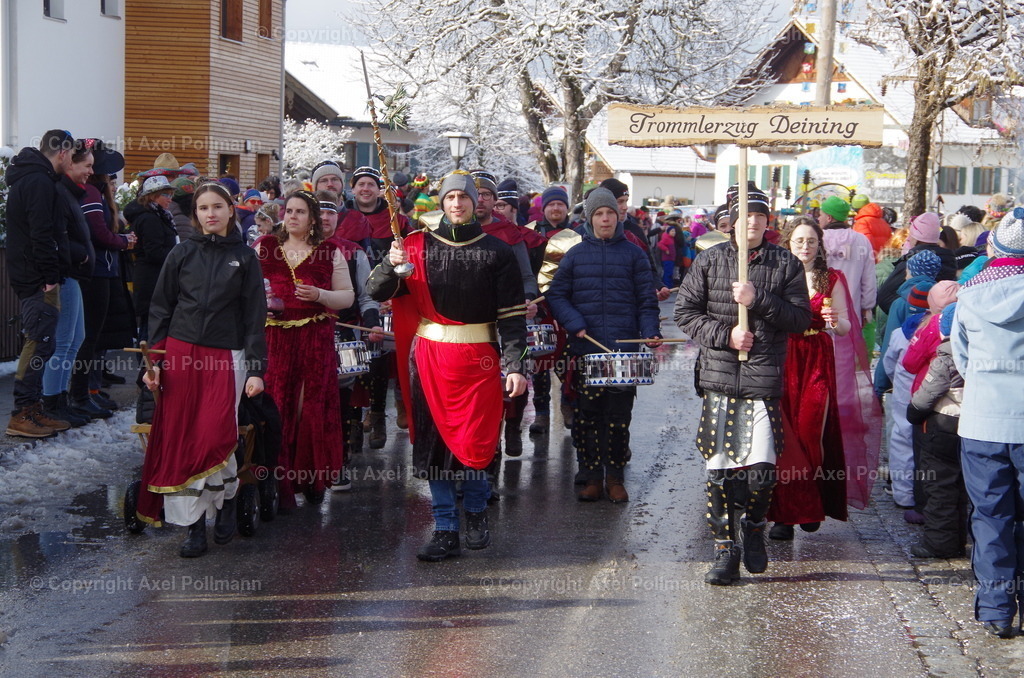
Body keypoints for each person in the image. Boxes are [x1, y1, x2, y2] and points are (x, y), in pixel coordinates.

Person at [366, 171, 528, 562]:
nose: (457, 203)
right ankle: (444, 528)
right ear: (441, 202)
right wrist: (391, 263)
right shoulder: (416, 247)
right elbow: (376, 291)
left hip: (480, 360)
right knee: (434, 443)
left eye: (464, 197)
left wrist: (515, 365)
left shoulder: (498, 252)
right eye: (450, 197)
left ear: (476, 202)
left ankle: (475, 514)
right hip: (429, 359)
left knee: (474, 441)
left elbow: (512, 317)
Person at [675, 184, 812, 585]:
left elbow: (800, 321)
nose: (751, 222)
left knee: (761, 470)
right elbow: (685, 313)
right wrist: (725, 335)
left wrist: (758, 300)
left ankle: (753, 528)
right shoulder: (710, 260)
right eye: (745, 215)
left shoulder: (784, 264)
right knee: (719, 468)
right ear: (732, 221)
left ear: (767, 222)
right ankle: (723, 549)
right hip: (719, 377)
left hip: (763, 380)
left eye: (759, 216)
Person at [136, 181, 268, 558]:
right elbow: (160, 309)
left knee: (215, 435)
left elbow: (254, 319)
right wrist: (156, 362)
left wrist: (257, 370)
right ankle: (193, 527)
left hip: (226, 358)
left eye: (217, 206)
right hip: (179, 354)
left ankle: (225, 502)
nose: (210, 213)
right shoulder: (181, 255)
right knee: (182, 439)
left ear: (231, 211)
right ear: (195, 215)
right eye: (203, 208)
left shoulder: (246, 258)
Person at [546, 188, 661, 502]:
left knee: (619, 417)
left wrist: (649, 331)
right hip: (587, 350)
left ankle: (615, 479)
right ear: (590, 218)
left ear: (617, 215)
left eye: (609, 212)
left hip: (624, 352)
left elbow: (647, 301)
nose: (605, 218)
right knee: (588, 416)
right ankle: (592, 476)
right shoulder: (575, 255)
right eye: (599, 213)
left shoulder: (635, 254)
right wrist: (574, 323)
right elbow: (556, 295)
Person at [255, 190, 355, 510]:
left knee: (308, 409)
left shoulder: (329, 252)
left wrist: (320, 294)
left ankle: (312, 479)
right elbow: (246, 292)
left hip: (315, 338)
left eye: (300, 212)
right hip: (275, 340)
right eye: (289, 211)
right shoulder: (264, 247)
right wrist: (262, 309)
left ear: (313, 219)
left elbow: (347, 297)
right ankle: (276, 482)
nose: (293, 217)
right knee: (276, 406)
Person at [951, 211, 1024, 639]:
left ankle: (997, 608)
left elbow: (962, 359)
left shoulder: (969, 296)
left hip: (982, 421)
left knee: (991, 516)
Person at [767, 217, 850, 540]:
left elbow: (844, 327)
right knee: (783, 436)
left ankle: (811, 501)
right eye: (799, 240)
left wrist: (834, 321)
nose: (805, 246)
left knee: (810, 429)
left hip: (816, 355)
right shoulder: (777, 275)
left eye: (811, 240)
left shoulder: (831, 279)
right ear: (789, 243)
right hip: (782, 355)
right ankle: (784, 517)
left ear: (820, 244)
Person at [4, 130, 76, 437]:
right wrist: (48, 278)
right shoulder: (39, 181)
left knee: (42, 343)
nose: (71, 162)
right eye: (71, 155)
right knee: (39, 342)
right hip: (37, 278)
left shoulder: (36, 178)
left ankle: (31, 408)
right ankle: (22, 413)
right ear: (61, 152)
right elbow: (41, 234)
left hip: (33, 275)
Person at [346, 165, 412, 446]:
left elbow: (410, 255)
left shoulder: (396, 220)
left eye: (371, 185)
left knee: (384, 355)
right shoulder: (344, 219)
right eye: (360, 184)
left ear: (379, 190)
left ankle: (381, 413)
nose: (365, 189)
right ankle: (360, 418)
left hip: (390, 294)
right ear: (353, 189)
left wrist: (389, 292)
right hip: (355, 295)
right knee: (359, 359)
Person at [70, 141, 134, 423]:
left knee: (93, 337)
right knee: (89, 337)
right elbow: (98, 232)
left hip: (100, 269)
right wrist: (123, 240)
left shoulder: (91, 191)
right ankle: (82, 394)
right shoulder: (93, 193)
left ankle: (88, 391)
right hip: (96, 271)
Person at [41, 140, 97, 427]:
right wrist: (81, 256)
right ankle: (52, 401)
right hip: (66, 275)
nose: (90, 171)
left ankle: (59, 399)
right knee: (64, 344)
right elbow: (57, 236)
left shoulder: (70, 194)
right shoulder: (61, 193)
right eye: (86, 165)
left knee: (75, 341)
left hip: (72, 274)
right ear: (70, 163)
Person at [906, 303, 967, 559]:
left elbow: (926, 396)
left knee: (940, 487)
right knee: (963, 488)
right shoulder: (982, 350)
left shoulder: (946, 355)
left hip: (943, 424)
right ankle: (960, 537)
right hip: (972, 427)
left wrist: (914, 412)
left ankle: (940, 543)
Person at [126, 175, 179, 343]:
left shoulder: (158, 216)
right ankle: (147, 366)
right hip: (152, 281)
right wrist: (177, 255)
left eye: (171, 195)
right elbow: (154, 252)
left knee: (153, 325)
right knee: (151, 329)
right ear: (153, 196)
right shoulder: (150, 219)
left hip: (154, 278)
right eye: (166, 195)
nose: (170, 199)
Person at [877, 212, 957, 313]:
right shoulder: (950, 260)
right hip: (940, 319)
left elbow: (884, 297)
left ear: (916, 238)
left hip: (909, 322)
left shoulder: (913, 261)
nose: (908, 238)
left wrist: (904, 312)